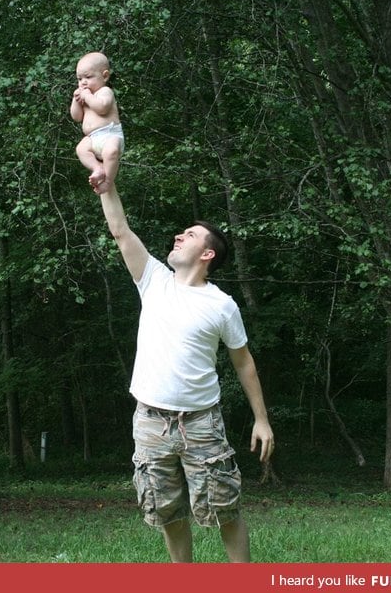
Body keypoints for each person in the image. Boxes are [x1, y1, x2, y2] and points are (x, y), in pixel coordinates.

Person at [90, 177, 274, 564]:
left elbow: (244, 362)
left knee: (225, 507)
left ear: (207, 254)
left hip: (202, 424)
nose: (178, 236)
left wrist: (262, 420)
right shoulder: (154, 280)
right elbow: (121, 231)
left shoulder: (222, 305)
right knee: (166, 510)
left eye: (189, 235)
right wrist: (107, 187)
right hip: (150, 423)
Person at [71, 50, 124, 192]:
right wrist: (76, 101)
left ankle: (107, 182)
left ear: (104, 76)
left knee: (111, 152)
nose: (83, 83)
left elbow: (102, 108)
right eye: (79, 79)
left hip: (110, 135)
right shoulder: (85, 96)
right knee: (81, 149)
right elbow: (76, 117)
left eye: (88, 77)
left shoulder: (105, 92)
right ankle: (97, 168)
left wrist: (87, 96)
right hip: (93, 138)